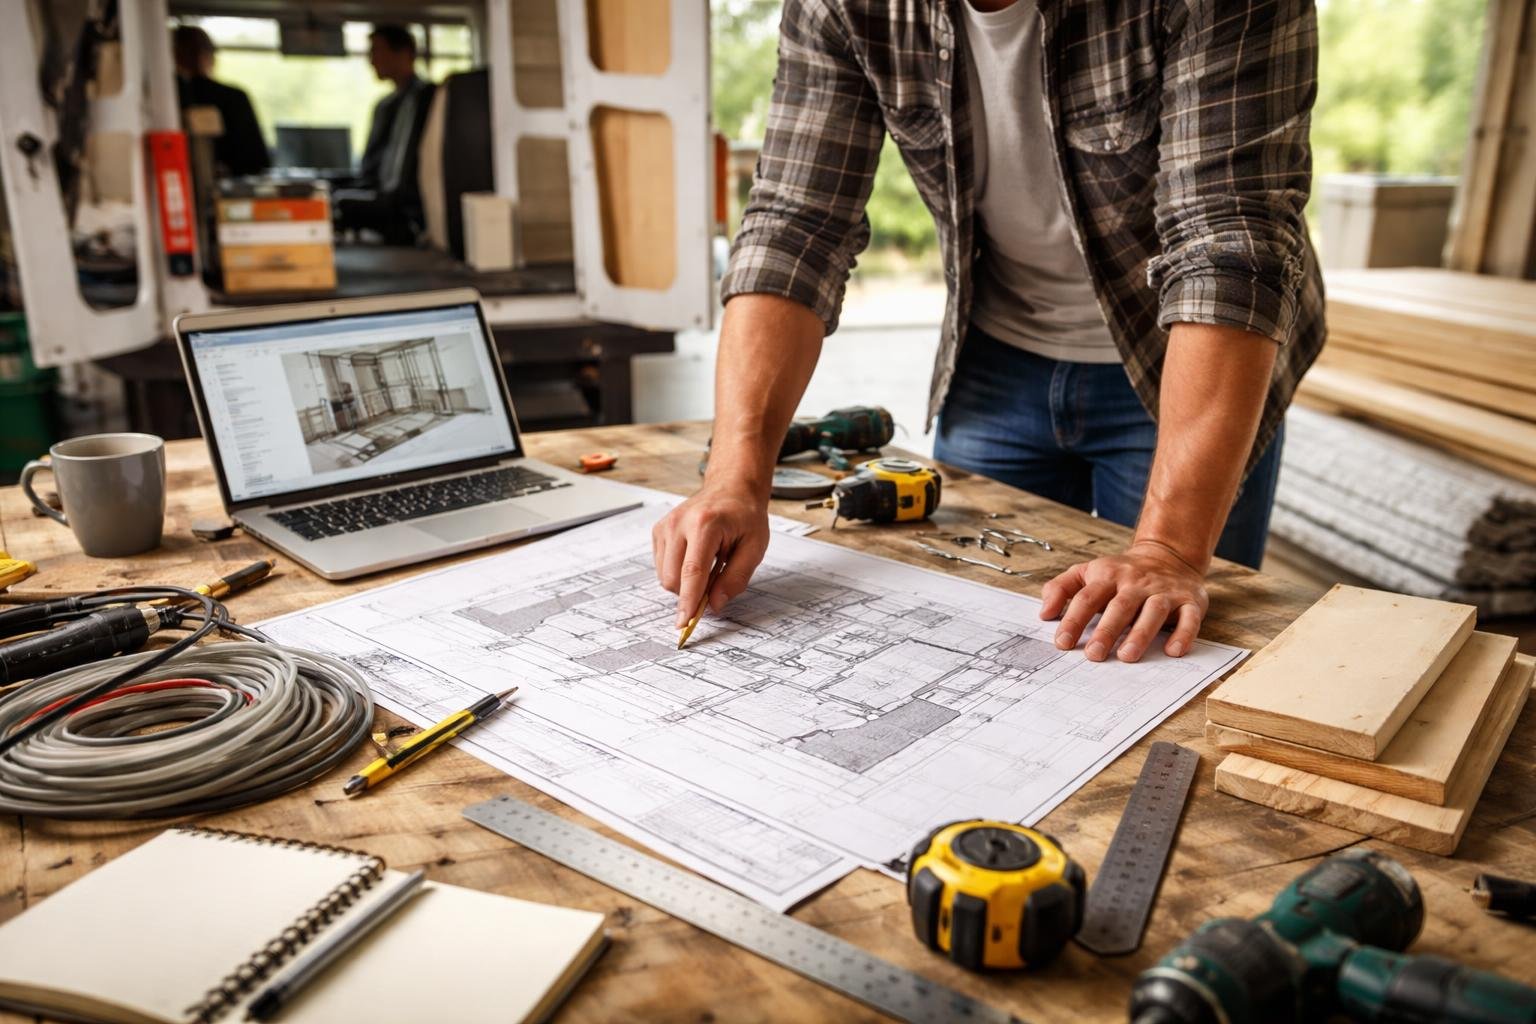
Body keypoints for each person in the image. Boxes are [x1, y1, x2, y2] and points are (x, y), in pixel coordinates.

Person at [652, 0, 1325, 664]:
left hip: (1187, 366)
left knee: (1161, 649)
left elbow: (1228, 246)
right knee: (978, 644)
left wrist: (1169, 551)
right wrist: (737, 476)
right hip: (999, 359)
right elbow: (796, 226)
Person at [337, 24, 435, 243]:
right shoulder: (385, 105)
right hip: (380, 187)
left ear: (404, 53)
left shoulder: (423, 100)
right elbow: (372, 165)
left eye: (377, 51)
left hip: (405, 203)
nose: (371, 61)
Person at [172, 25, 269, 178]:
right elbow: (257, 162)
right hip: (226, 189)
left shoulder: (163, 99)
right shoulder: (233, 98)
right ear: (207, 56)